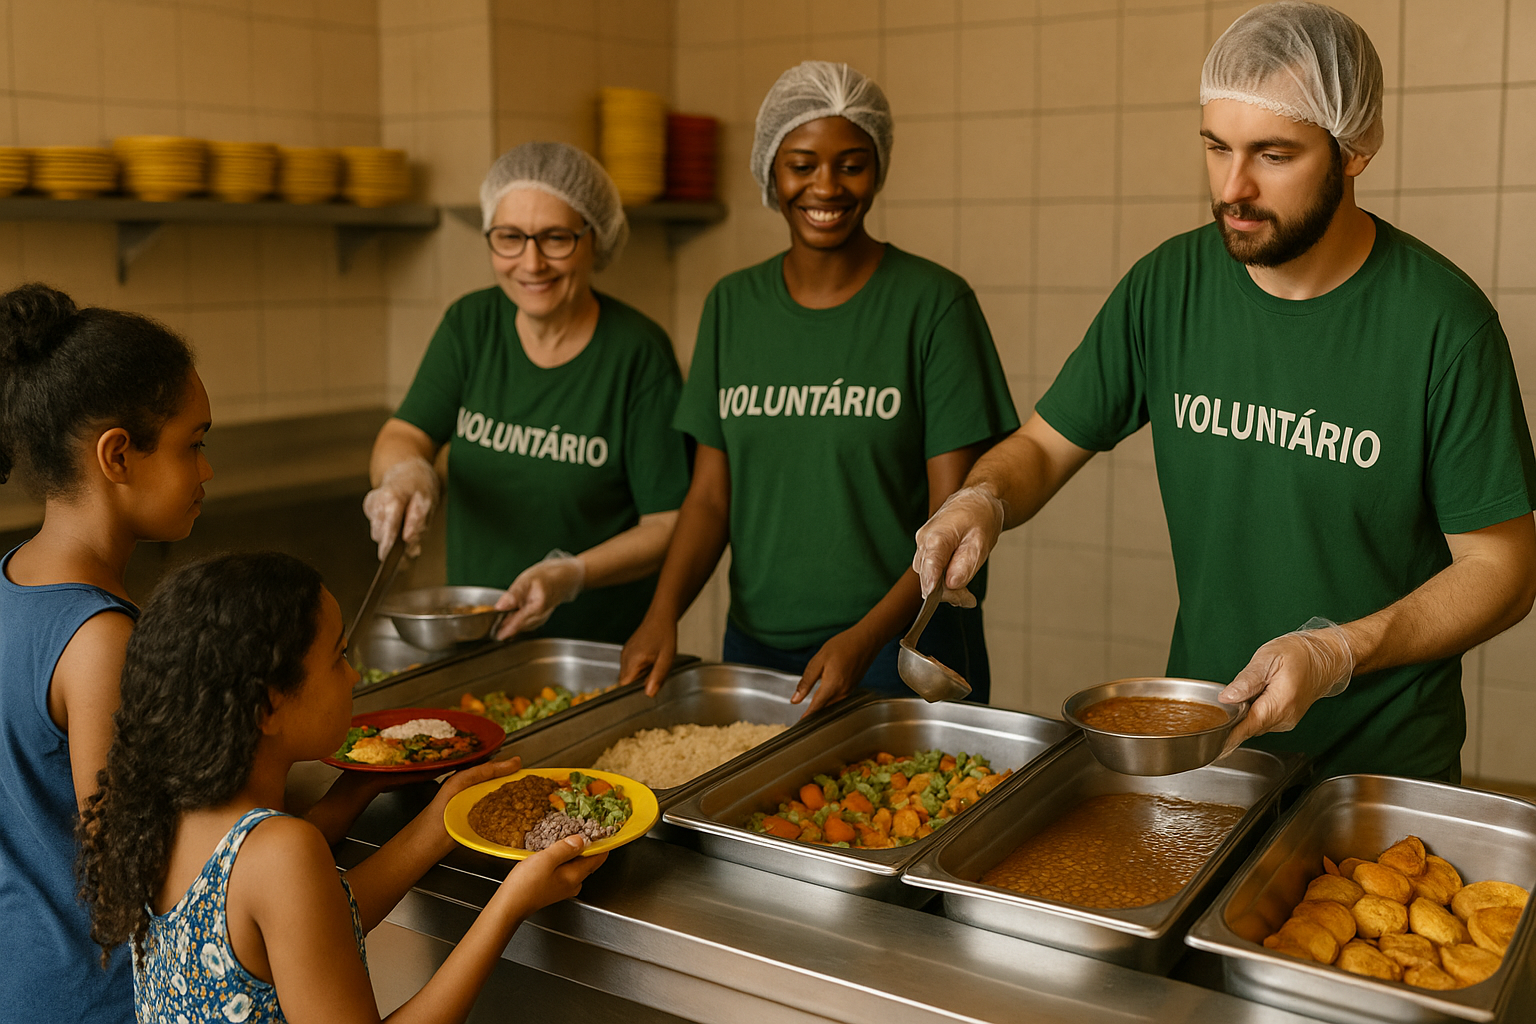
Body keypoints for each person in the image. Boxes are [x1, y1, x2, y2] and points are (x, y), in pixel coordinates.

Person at [913, 2, 1536, 782]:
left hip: (1378, 776)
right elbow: (1042, 444)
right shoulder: (1167, 286)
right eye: (1216, 147)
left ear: (1355, 150)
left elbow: (1503, 569)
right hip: (1212, 749)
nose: (1233, 188)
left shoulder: (1443, 324)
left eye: (1273, 155)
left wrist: (1337, 650)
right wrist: (981, 499)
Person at [619, 62, 1019, 712]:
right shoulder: (733, 307)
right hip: (754, 648)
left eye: (850, 163)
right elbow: (709, 502)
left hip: (902, 652)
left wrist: (864, 640)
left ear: (878, 167)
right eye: (801, 164)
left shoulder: (934, 305)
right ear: (770, 172)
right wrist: (662, 612)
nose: (825, 186)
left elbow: (953, 521)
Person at [76, 551, 604, 1023]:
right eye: (338, 656)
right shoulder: (281, 852)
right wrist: (509, 903)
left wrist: (440, 821)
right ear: (268, 705)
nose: (353, 678)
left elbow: (316, 926)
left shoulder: (168, 814)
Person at [366, 142, 690, 645]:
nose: (531, 262)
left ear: (594, 239)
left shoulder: (638, 354)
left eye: (556, 238)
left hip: (590, 651)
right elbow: (405, 432)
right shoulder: (470, 326)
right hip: (476, 637)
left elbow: (668, 524)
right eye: (510, 237)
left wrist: (571, 575)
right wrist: (405, 475)